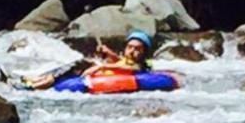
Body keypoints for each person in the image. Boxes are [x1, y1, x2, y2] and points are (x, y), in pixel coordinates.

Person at [19, 30, 154, 90]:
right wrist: (109, 53)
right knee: (76, 64)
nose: (132, 51)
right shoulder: (129, 59)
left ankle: (37, 84)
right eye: (129, 47)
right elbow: (121, 61)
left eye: (137, 49)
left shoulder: (139, 67)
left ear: (144, 52)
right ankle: (38, 79)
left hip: (100, 74)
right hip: (93, 71)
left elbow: (127, 68)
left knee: (76, 66)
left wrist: (101, 67)